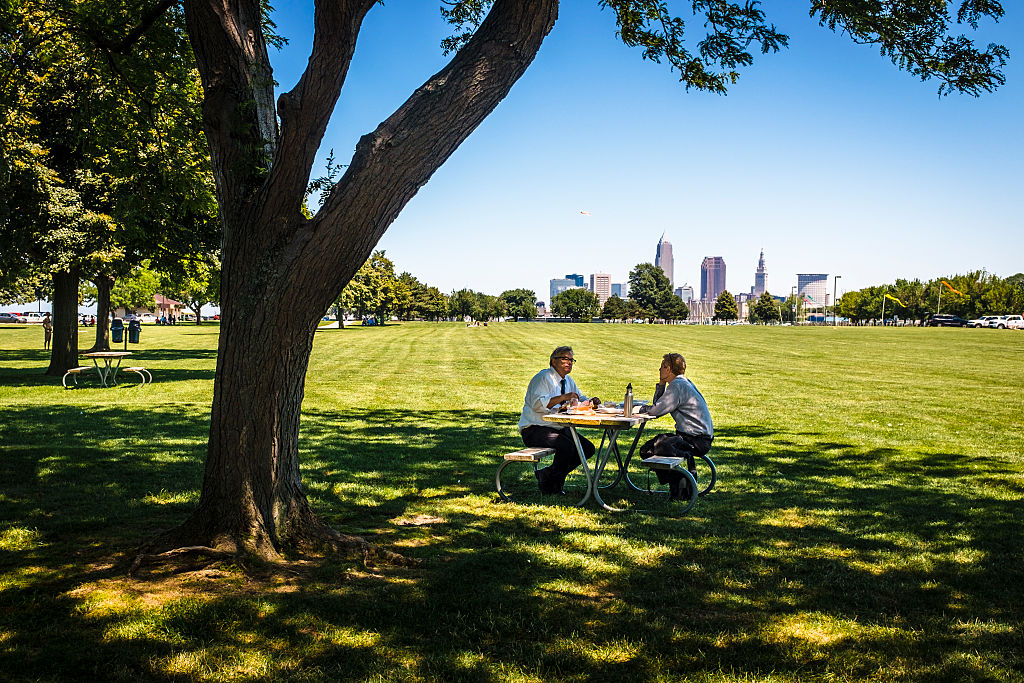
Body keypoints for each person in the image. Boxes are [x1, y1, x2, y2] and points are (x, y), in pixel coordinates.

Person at [518, 346, 601, 495]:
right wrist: (563, 398)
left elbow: (578, 397)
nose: (568, 362)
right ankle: (553, 486)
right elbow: (537, 404)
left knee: (587, 448)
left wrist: (590, 401)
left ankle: (548, 474)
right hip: (535, 428)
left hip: (557, 427)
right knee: (567, 446)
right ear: (553, 361)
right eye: (564, 358)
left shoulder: (568, 380)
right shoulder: (543, 378)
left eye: (571, 360)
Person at [637, 353, 713, 500]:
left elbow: (655, 410)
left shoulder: (677, 386)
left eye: (662, 367)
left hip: (694, 440)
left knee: (648, 450)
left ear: (669, 369)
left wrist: (637, 410)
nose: (659, 369)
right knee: (656, 445)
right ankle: (680, 482)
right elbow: (658, 405)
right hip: (700, 437)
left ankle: (679, 481)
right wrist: (661, 384)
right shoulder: (684, 382)